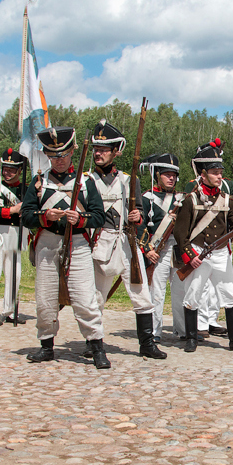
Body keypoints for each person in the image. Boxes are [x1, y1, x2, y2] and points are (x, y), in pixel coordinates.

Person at [20, 126, 109, 368]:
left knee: (85, 298)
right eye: (53, 155)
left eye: (63, 155)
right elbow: (26, 215)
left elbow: (99, 217)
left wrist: (80, 219)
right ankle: (46, 345)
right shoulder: (39, 182)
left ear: (72, 152)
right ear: (47, 156)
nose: (59, 160)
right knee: (45, 298)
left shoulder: (86, 181)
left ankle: (96, 346)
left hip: (78, 242)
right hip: (48, 243)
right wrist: (44, 215)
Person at [86, 120, 167, 360]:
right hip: (98, 242)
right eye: (96, 149)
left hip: (126, 242)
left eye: (104, 149)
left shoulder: (127, 180)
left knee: (141, 294)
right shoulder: (86, 180)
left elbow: (139, 212)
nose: (98, 153)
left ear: (115, 152)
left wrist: (136, 215)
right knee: (96, 297)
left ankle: (147, 343)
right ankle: (93, 341)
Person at [173, 141, 233, 353]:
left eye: (220, 173)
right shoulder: (190, 200)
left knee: (230, 294)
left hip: (220, 253)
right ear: (204, 174)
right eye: (215, 173)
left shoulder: (229, 201)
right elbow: (181, 233)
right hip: (198, 252)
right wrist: (190, 257)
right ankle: (191, 339)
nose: (219, 177)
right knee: (193, 295)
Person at [140, 153, 184, 343]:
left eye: (173, 175)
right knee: (156, 293)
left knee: (180, 291)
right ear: (157, 175)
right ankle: (154, 331)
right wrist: (146, 250)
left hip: (178, 249)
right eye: (166, 174)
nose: (171, 178)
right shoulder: (147, 198)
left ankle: (182, 330)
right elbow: (139, 227)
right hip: (157, 249)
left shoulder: (182, 199)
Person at [0, 148, 29, 325]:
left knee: (14, 274)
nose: (7, 172)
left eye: (11, 169)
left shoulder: (26, 189)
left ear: (19, 170)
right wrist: (12, 210)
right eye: (5, 168)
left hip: (17, 233)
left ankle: (9, 311)